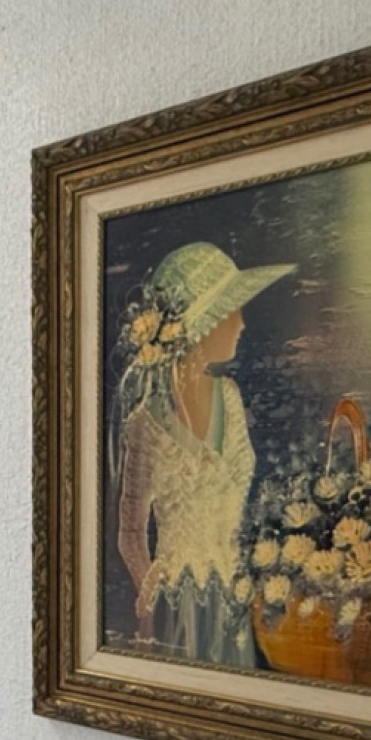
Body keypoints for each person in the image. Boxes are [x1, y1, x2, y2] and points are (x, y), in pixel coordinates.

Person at [112, 242, 294, 665]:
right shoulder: (145, 423)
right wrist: (149, 594)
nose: (241, 324)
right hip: (178, 608)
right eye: (232, 311)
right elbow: (130, 531)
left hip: (233, 599)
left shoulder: (230, 397)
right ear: (203, 324)